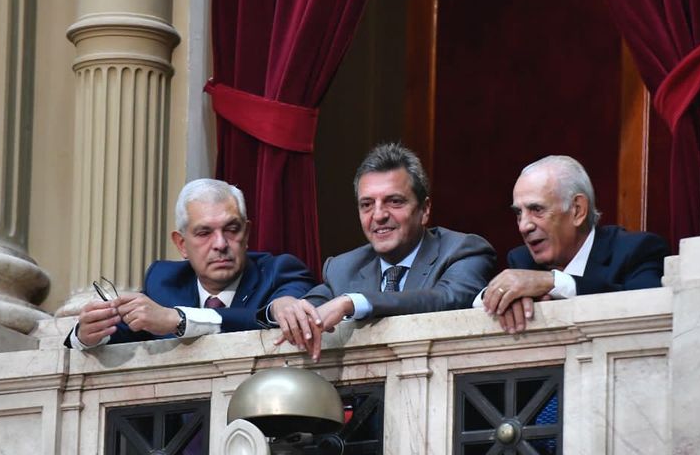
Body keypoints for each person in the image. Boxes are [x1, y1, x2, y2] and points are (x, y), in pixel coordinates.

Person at [269, 143, 496, 360]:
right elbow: (309, 307)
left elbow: (447, 300)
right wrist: (281, 306)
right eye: (367, 204)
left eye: (394, 201)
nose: (378, 215)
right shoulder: (342, 268)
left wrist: (353, 302)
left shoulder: (463, 250)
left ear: (424, 210)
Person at [66, 179, 315, 349]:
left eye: (231, 229)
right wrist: (87, 335)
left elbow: (269, 316)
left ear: (246, 234)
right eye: (204, 233)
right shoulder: (164, 282)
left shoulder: (280, 273)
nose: (220, 243)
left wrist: (179, 319)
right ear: (182, 244)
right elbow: (118, 336)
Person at [479, 155, 668, 333]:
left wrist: (553, 282)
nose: (523, 226)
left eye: (536, 209)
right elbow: (476, 304)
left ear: (577, 210)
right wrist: (502, 296)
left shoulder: (637, 250)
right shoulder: (523, 260)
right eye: (519, 213)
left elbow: (647, 307)